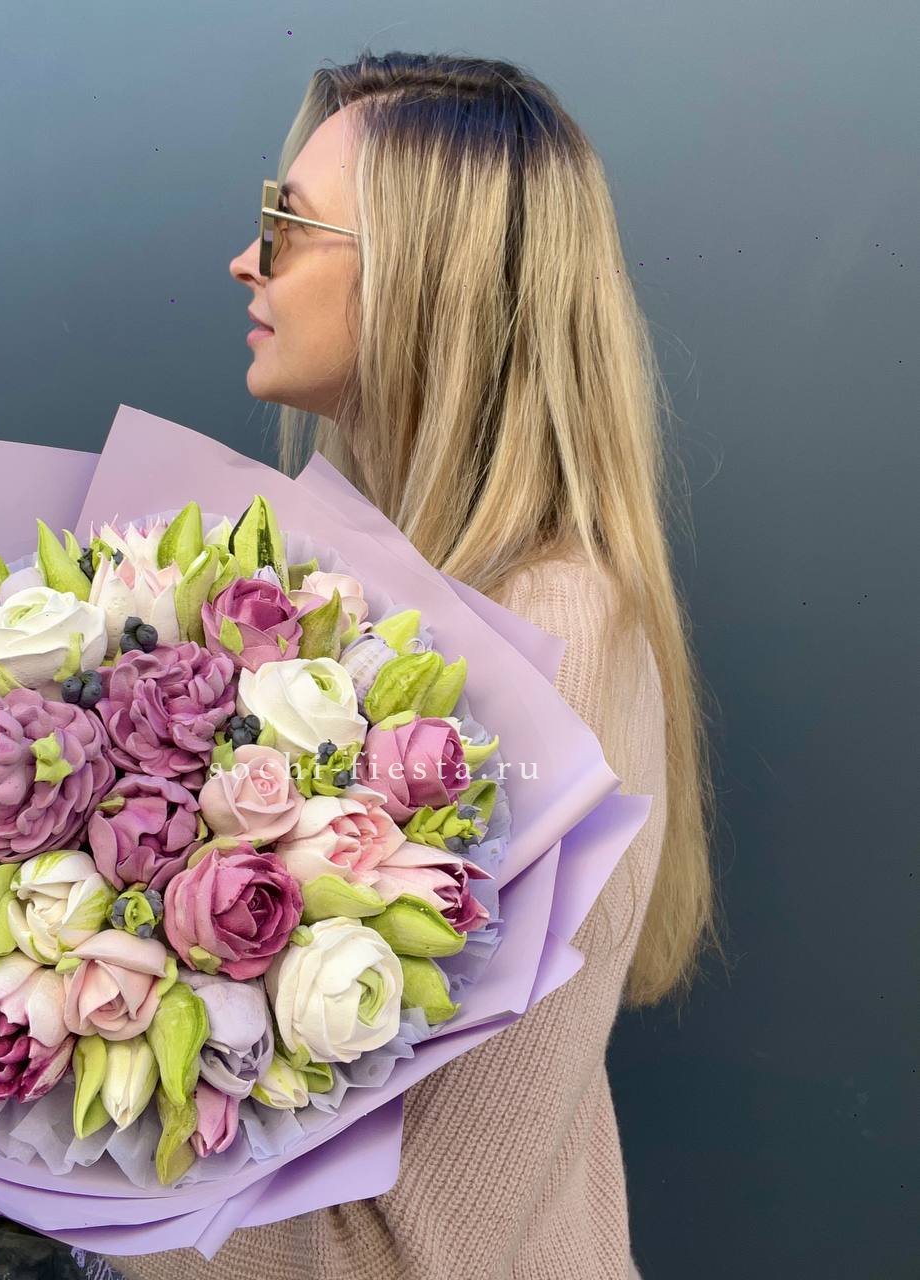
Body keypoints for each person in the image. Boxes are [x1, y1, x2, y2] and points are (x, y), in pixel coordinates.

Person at [110, 48, 717, 1280]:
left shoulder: (552, 633)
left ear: (425, 276)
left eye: (287, 222)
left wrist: (97, 1143)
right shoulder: (355, 596)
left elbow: (414, 1254)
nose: (246, 260)